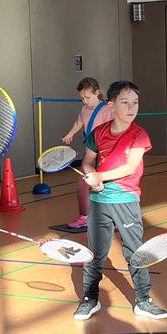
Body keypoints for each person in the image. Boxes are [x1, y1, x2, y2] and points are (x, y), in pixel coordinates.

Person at [76, 80, 167, 321]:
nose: (131, 107)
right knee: (95, 252)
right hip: (99, 200)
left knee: (135, 251)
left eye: (135, 102)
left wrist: (100, 176)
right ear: (111, 105)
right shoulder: (99, 133)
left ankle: (143, 300)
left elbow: (130, 167)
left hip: (126, 199)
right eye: (124, 102)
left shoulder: (139, 134)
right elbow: (87, 161)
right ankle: (90, 298)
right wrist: (91, 176)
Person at [57, 77, 110, 234]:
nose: (85, 101)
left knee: (106, 186)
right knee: (83, 183)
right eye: (82, 98)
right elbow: (79, 123)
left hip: (105, 152)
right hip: (90, 151)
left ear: (97, 93)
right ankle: (84, 216)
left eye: (88, 97)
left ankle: (112, 217)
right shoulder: (85, 109)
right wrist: (70, 134)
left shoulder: (106, 110)